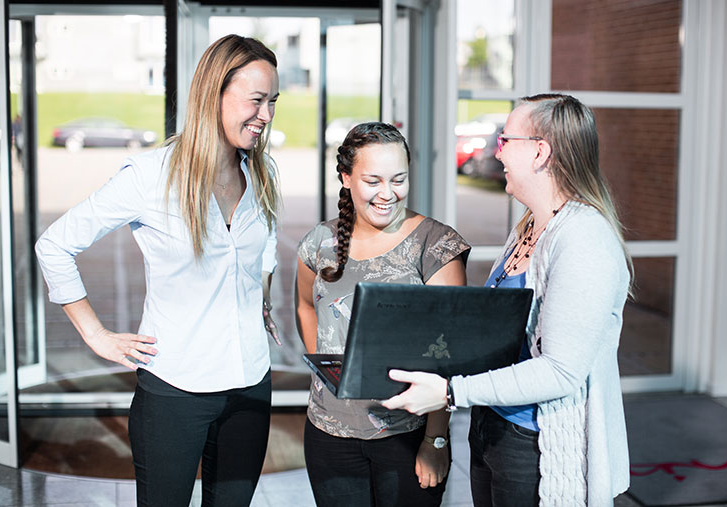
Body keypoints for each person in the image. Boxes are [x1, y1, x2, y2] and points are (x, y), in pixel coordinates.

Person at [35, 35, 281, 506]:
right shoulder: (151, 176)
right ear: (215, 94)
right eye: (256, 100)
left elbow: (263, 247)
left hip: (250, 384)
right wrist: (95, 335)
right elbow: (55, 246)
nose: (266, 116)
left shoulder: (262, 172)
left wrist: (261, 297)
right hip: (175, 390)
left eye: (272, 101)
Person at [383, 94, 632, 506]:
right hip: (492, 423)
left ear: (540, 151)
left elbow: (560, 372)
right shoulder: (530, 225)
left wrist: (450, 393)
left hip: (534, 443)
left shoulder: (583, 239)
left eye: (504, 140)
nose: (496, 152)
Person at [295, 122, 471, 507]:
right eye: (372, 181)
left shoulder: (436, 245)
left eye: (398, 179)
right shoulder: (318, 243)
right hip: (328, 436)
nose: (387, 194)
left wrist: (435, 439)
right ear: (345, 177)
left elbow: (449, 351)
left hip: (408, 436)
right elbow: (306, 306)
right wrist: (327, 375)